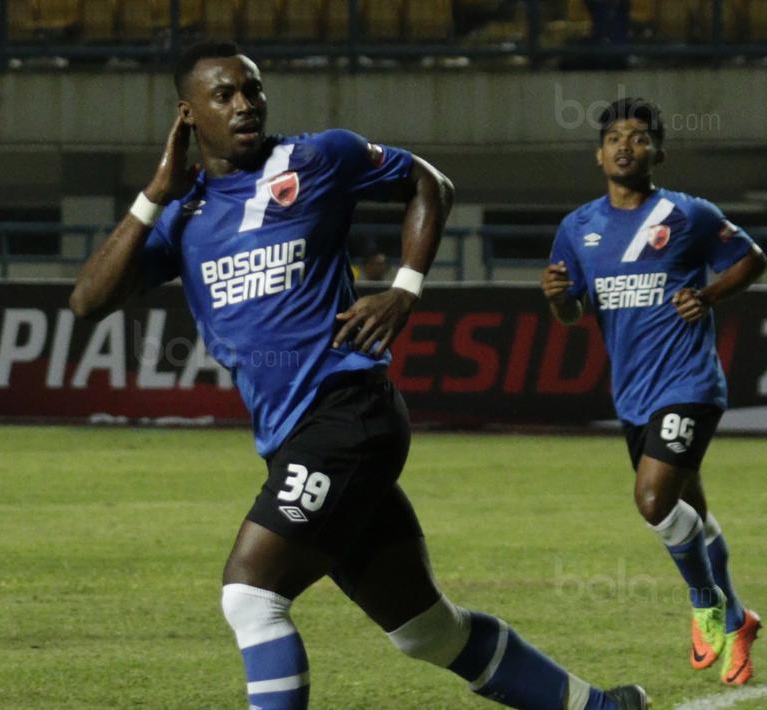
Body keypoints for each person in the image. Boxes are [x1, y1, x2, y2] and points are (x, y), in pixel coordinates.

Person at [72, 41, 648, 710]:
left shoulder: (317, 158)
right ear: (186, 115)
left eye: (251, 90)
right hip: (297, 437)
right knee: (427, 632)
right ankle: (602, 709)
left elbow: (430, 183)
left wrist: (404, 289)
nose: (244, 104)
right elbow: (88, 299)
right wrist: (153, 194)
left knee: (251, 597)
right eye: (223, 95)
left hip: (347, 414)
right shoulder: (184, 214)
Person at [542, 98, 766, 686]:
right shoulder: (579, 228)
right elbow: (572, 314)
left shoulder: (686, 213)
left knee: (652, 501)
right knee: (689, 511)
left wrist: (709, 296)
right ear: (598, 154)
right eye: (614, 137)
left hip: (689, 384)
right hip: (634, 395)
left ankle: (704, 602)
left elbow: (752, 257)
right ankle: (739, 619)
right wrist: (557, 298)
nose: (625, 146)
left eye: (639, 138)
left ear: (657, 152)